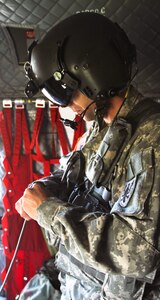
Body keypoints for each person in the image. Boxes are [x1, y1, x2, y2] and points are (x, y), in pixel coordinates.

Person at [15, 12, 160, 299]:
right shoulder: (105, 127)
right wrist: (44, 188)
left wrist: (47, 211)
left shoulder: (152, 139)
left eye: (63, 95)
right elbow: (73, 177)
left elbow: (137, 251)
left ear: (90, 77)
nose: (64, 107)